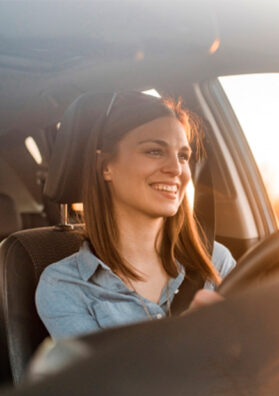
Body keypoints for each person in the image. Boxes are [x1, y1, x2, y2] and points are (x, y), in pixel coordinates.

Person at [36, 92, 236, 340]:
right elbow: (105, 379)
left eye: (183, 156)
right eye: (154, 151)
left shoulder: (216, 261)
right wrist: (187, 338)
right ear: (106, 166)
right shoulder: (65, 285)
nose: (176, 169)